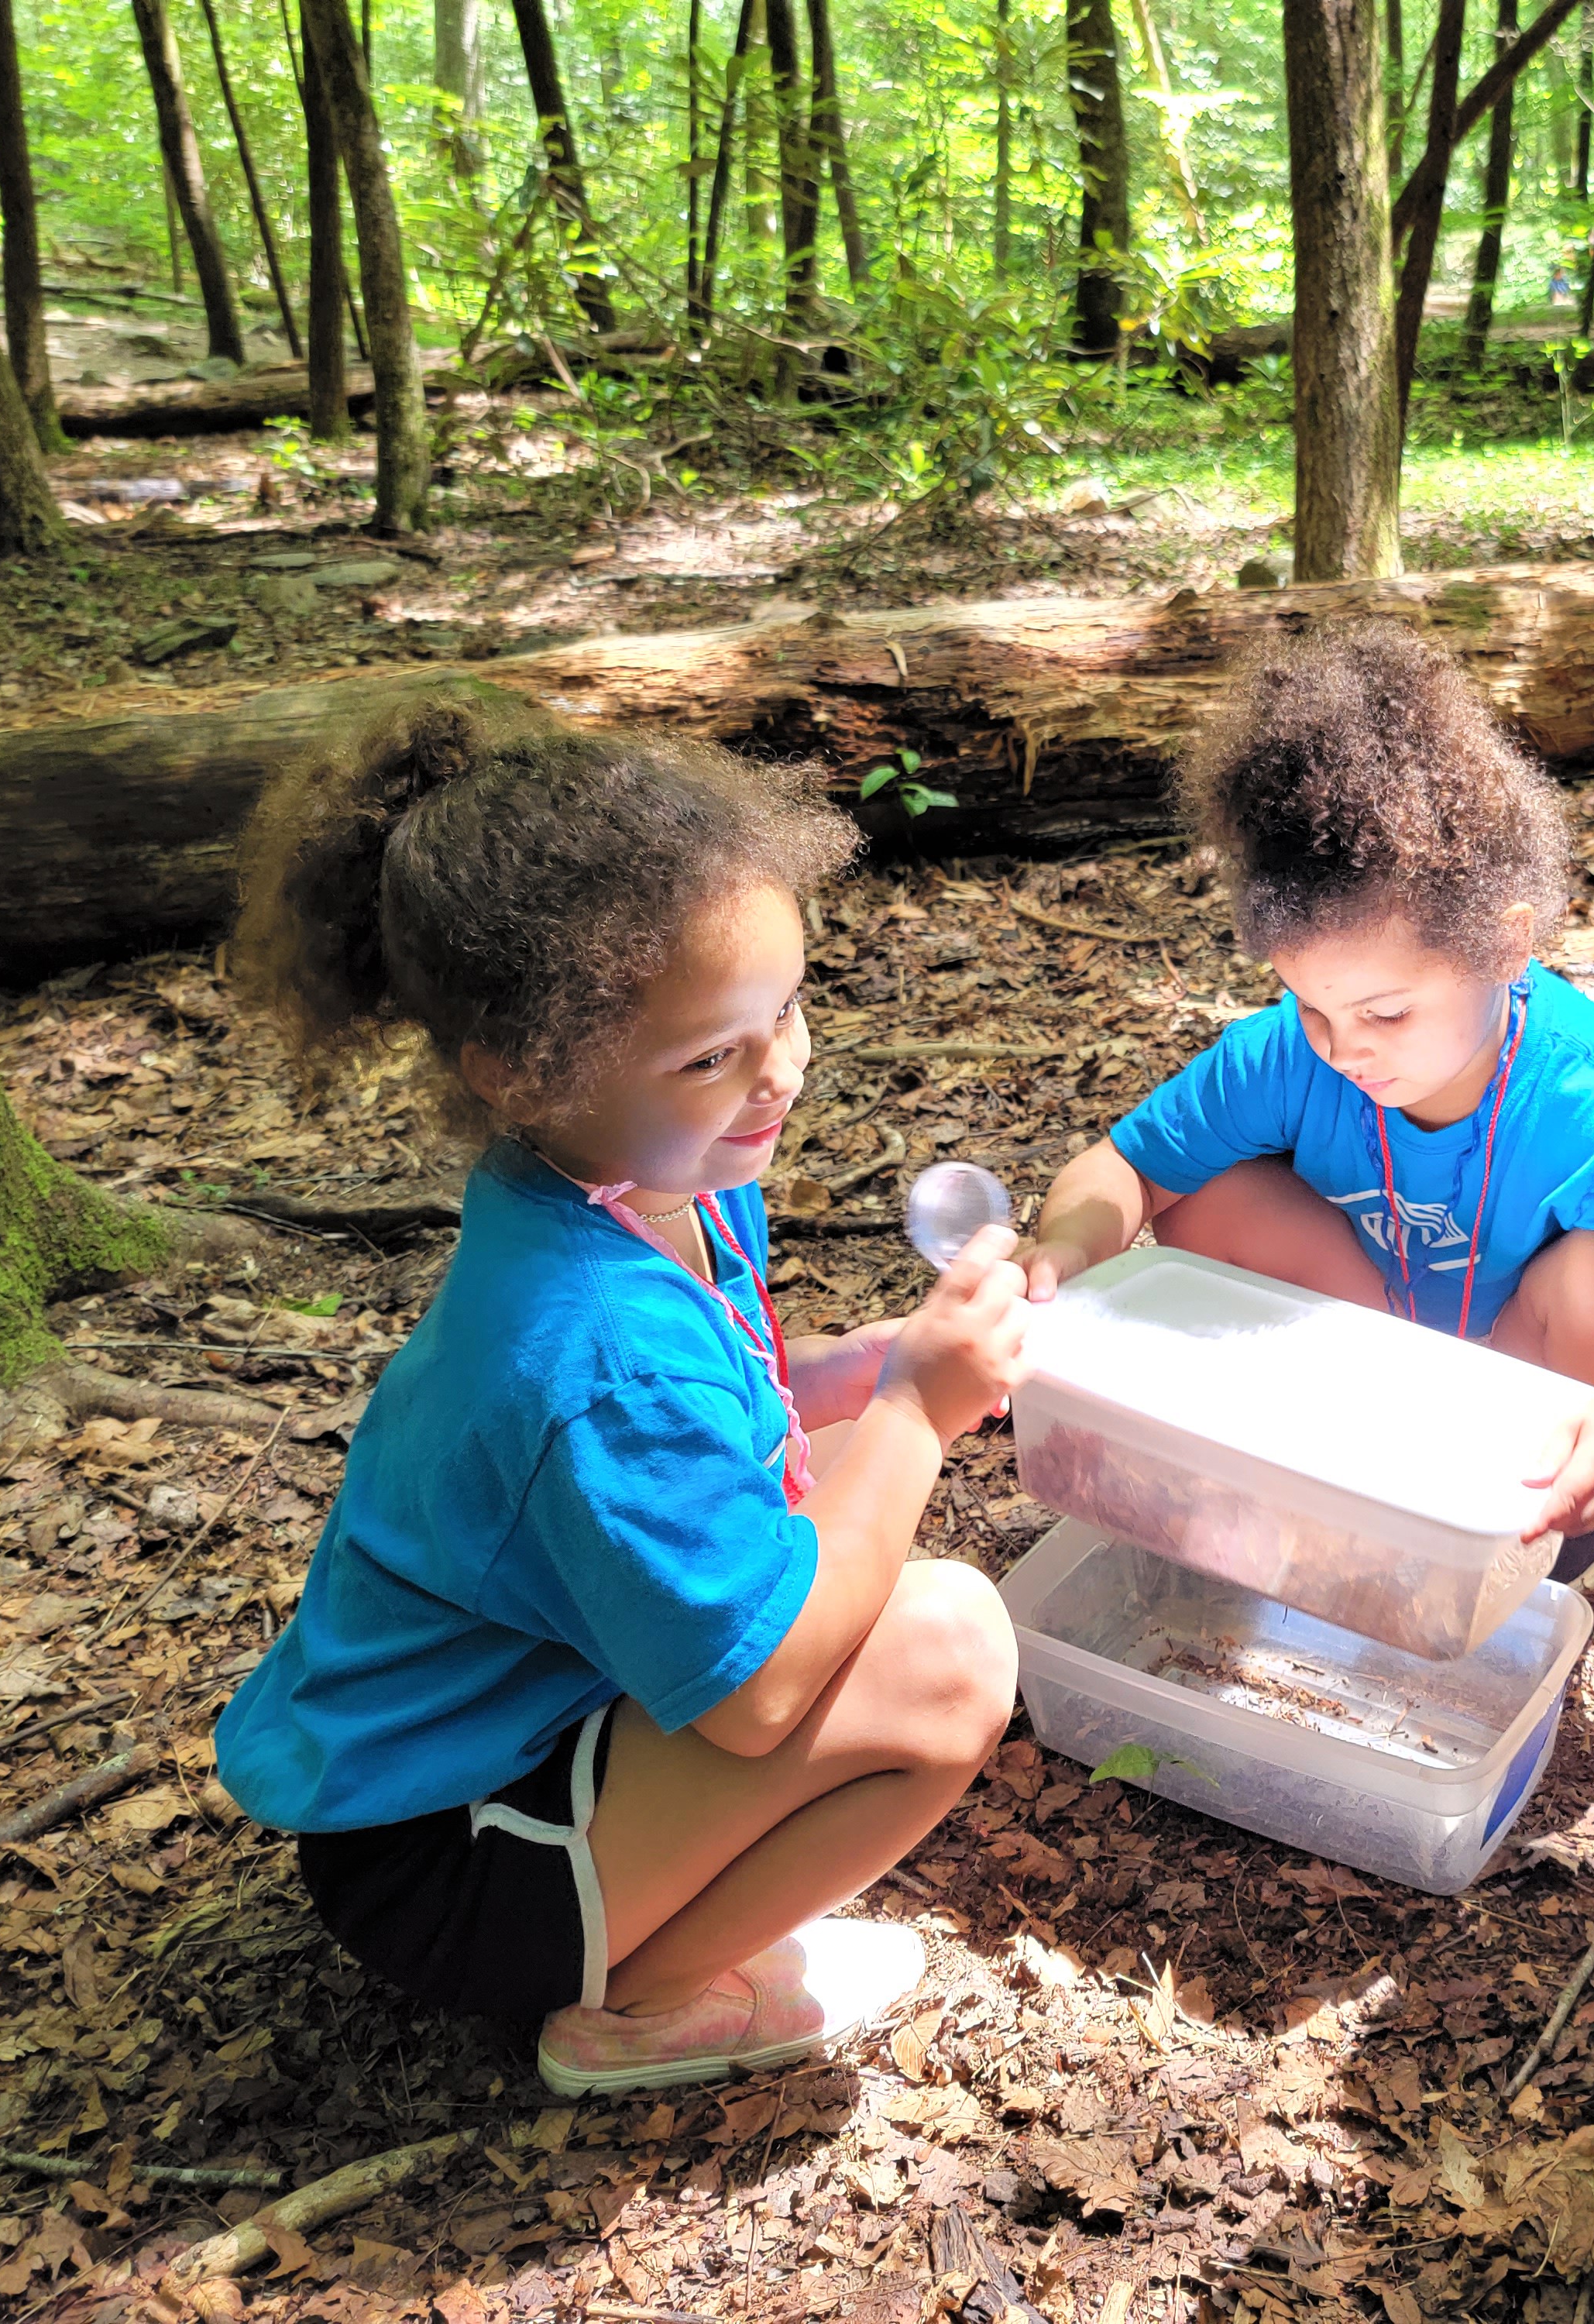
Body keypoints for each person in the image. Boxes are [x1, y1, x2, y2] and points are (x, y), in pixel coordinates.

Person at [214, 700, 1029, 2098]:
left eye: (785, 1011)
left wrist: (853, 1371)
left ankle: (642, 1911)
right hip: (446, 1862)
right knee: (948, 1649)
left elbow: (734, 1390)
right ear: (522, 1071)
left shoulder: (657, 1185)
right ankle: (639, 2004)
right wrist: (910, 1408)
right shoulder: (595, 1352)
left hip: (495, 1767)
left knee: (879, 1560)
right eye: (710, 1053)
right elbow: (763, 1696)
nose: (777, 1071)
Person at [1022, 625, 1594, 1590]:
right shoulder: (1293, 1053)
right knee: (1204, 1195)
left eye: (1387, 1012)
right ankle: (1327, 1466)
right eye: (1310, 1005)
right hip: (1362, 1357)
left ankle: (1569, 1516)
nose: (1342, 1046)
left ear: (1502, 945)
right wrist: (1058, 1258)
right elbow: (1123, 1168)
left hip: (1532, 1386)